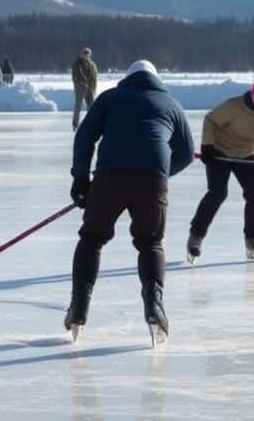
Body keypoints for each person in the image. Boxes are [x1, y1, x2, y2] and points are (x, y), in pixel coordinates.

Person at [66, 60, 194, 347]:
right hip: (151, 183)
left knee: (91, 239)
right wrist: (159, 172)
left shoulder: (110, 98)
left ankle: (78, 309)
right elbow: (186, 154)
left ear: (128, 78)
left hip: (109, 178)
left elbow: (84, 137)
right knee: (150, 243)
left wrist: (80, 179)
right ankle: (155, 306)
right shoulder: (171, 103)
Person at [187, 75, 254, 265]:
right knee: (217, 193)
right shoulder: (234, 106)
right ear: (252, 95)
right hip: (220, 152)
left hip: (247, 154)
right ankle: (195, 237)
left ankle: (253, 239)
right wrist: (208, 146)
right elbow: (210, 120)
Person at [71, 48, 98, 131]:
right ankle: (75, 124)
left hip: (90, 88)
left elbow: (94, 76)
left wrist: (93, 87)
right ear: (81, 54)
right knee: (78, 106)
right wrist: (83, 83)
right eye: (85, 53)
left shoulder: (92, 64)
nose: (86, 54)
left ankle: (92, 123)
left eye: (88, 53)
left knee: (91, 106)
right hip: (81, 88)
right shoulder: (77, 63)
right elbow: (78, 75)